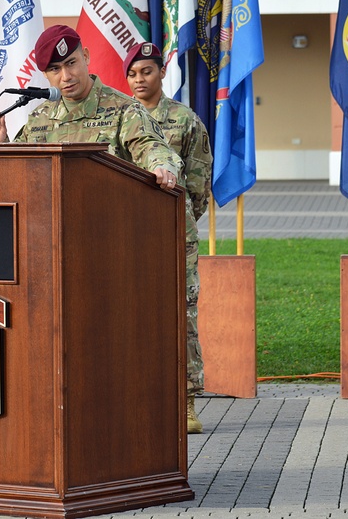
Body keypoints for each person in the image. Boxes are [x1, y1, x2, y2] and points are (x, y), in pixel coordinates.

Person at [125, 42, 213, 434]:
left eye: (146, 71)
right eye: (132, 73)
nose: (139, 80)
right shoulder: (118, 116)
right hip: (126, 232)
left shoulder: (185, 119)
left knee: (181, 313)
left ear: (162, 73)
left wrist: (179, 219)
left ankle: (186, 402)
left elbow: (198, 180)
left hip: (176, 230)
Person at [0, 25, 182, 190]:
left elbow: (150, 146)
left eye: (71, 63)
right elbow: (18, 171)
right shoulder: (39, 117)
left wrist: (162, 166)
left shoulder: (125, 109)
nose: (66, 76)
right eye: (55, 69)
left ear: (85, 57)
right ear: (44, 74)